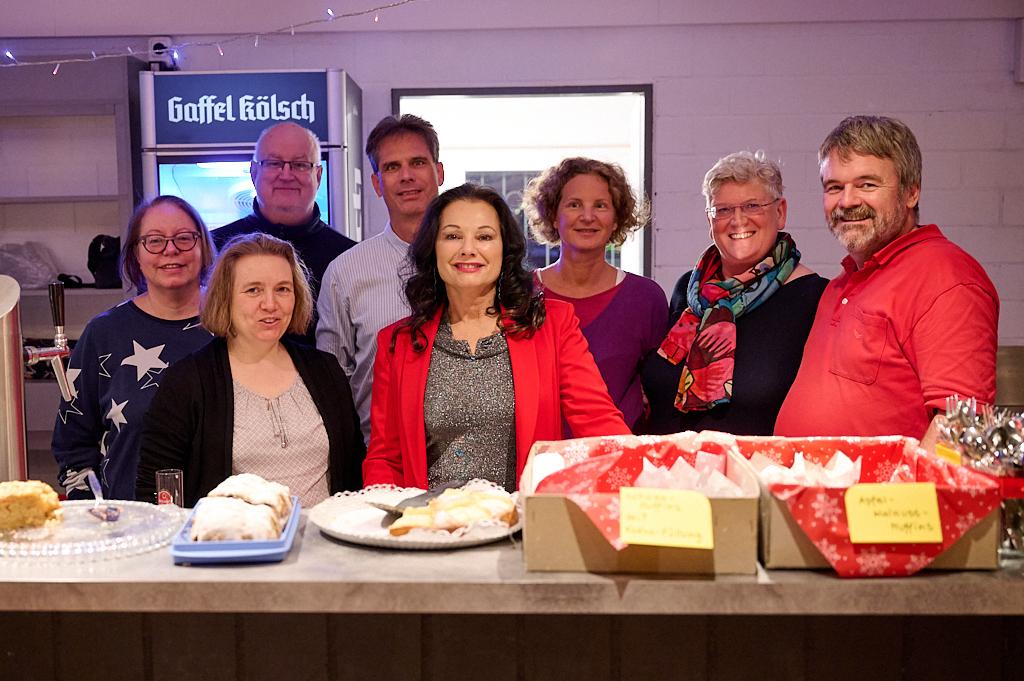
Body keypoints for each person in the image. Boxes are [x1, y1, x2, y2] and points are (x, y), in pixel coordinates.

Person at [363, 183, 630, 491]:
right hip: (430, 528)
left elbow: (600, 424)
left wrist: (640, 478)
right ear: (432, 248)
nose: (468, 248)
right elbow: (385, 459)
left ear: (504, 248)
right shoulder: (397, 342)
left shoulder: (553, 326)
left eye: (484, 236)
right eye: (452, 236)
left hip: (521, 528)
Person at [776, 115, 999, 439]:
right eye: (834, 187)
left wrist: (890, 493)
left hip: (881, 491)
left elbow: (958, 430)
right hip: (810, 486)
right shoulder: (843, 282)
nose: (847, 201)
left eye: (867, 184)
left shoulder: (947, 278)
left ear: (911, 193)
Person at [136, 234, 365, 507]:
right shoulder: (188, 382)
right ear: (225, 297)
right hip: (231, 545)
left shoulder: (325, 371)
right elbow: (156, 487)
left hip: (322, 543)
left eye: (282, 289)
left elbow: (354, 473)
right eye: (253, 290)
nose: (270, 304)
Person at [641, 151, 827, 436]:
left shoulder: (814, 297)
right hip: (667, 471)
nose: (737, 221)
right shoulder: (688, 290)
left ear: (780, 213)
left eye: (752, 206)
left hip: (755, 473)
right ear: (709, 221)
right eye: (723, 210)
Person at [52, 196, 216, 500]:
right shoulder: (104, 333)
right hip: (126, 524)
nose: (171, 249)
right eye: (154, 240)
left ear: (204, 248)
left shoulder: (234, 325)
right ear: (136, 256)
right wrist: (97, 516)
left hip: (224, 525)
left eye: (184, 238)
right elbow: (72, 443)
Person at [317, 114, 444, 442]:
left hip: (474, 458)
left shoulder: (477, 262)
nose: (406, 176)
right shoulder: (346, 273)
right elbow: (332, 380)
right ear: (376, 184)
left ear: (439, 172)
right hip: (380, 460)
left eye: (417, 162)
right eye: (391, 167)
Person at [522, 158, 667, 432]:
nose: (587, 217)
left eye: (600, 205)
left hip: (617, 459)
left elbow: (659, 394)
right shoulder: (520, 295)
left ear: (616, 219)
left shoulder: (646, 299)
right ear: (553, 215)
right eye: (574, 204)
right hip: (535, 460)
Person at [213, 121, 356, 345]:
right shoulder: (215, 248)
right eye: (274, 163)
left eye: (300, 165)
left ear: (318, 175)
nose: (286, 174)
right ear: (253, 172)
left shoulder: (349, 258)